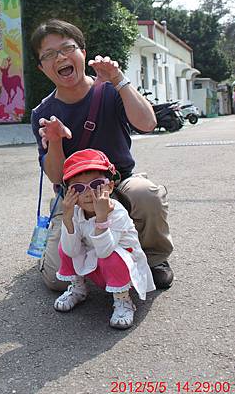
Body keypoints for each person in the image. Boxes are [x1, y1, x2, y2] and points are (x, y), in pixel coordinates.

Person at [30, 19, 174, 291]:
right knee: (55, 281)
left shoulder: (111, 90)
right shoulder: (42, 113)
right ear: (41, 67)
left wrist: (120, 80)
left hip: (119, 183)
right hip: (74, 192)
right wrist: (56, 141)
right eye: (49, 55)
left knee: (147, 193)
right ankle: (75, 243)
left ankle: (154, 259)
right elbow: (56, 175)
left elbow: (148, 123)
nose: (60, 57)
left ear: (82, 52)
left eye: (67, 48)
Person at [55, 148, 155, 329]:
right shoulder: (76, 212)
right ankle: (78, 288)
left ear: (110, 186)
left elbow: (105, 251)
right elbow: (70, 251)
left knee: (112, 255)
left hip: (121, 266)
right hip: (97, 264)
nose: (87, 193)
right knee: (65, 245)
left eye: (96, 185)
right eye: (78, 188)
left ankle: (123, 300)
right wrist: (67, 219)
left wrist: (101, 218)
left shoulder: (115, 211)